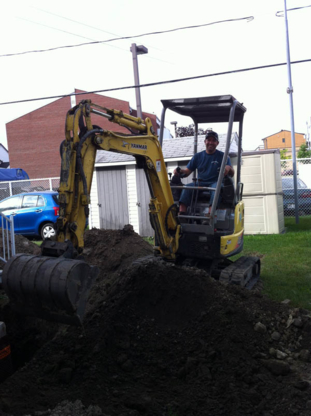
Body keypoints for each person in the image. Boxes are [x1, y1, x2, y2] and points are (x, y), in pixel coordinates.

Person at [173, 131, 234, 216]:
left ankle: (210, 215)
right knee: (187, 187)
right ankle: (182, 213)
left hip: (215, 183)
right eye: (208, 140)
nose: (211, 142)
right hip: (200, 183)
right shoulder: (198, 156)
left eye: (213, 140)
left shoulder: (223, 156)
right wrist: (179, 171)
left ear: (217, 143)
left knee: (216, 188)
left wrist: (228, 168)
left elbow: (232, 172)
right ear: (205, 141)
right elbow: (186, 172)